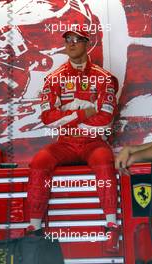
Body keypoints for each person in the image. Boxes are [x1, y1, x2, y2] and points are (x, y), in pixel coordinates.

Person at [27, 25, 119, 252]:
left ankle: (111, 227)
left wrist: (67, 113)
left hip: (93, 142)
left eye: (77, 39)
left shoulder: (105, 78)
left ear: (88, 43)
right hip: (65, 143)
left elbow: (105, 119)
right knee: (39, 161)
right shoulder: (53, 78)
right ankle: (34, 229)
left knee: (104, 161)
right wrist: (83, 111)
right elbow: (48, 119)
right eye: (68, 39)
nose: (71, 43)